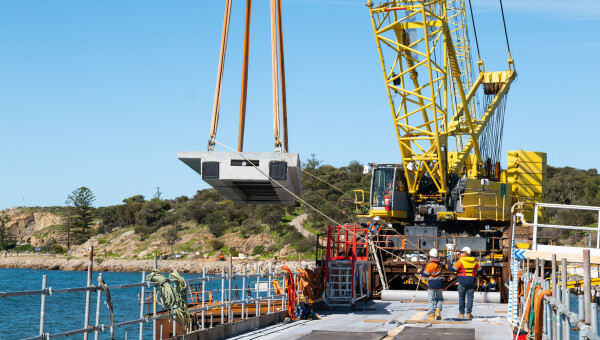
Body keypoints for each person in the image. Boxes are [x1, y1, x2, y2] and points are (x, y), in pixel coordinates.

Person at [449, 246, 482, 319]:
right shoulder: (474, 262)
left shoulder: (460, 261)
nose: (460, 253)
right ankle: (468, 314)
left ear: (466, 253)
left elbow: (454, 269)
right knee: (470, 298)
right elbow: (480, 270)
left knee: (461, 297)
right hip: (471, 281)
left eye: (462, 252)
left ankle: (461, 313)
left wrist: (447, 267)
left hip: (462, 281)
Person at [421, 248, 444, 321]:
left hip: (432, 284)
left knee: (431, 300)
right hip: (439, 284)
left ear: (430, 255)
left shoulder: (429, 264)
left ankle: (431, 315)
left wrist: (421, 271)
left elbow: (426, 274)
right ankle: (438, 312)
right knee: (439, 299)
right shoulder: (439, 264)